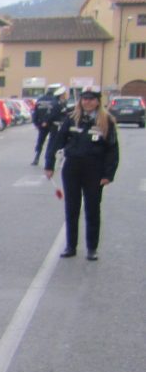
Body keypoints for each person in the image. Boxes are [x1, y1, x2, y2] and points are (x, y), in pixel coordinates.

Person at [45, 89, 119, 260]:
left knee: (92, 209)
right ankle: (71, 246)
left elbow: (112, 149)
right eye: (84, 99)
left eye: (91, 99)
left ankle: (92, 248)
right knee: (72, 208)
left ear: (98, 102)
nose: (87, 102)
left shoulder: (105, 120)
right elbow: (57, 142)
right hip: (73, 167)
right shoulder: (72, 118)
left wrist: (109, 174)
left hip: (94, 168)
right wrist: (49, 165)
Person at [31, 87, 62, 166]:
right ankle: (48, 158)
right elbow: (55, 113)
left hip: (41, 124)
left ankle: (37, 157)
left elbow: (35, 113)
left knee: (40, 140)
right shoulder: (55, 101)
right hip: (53, 124)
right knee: (51, 142)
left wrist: (36, 123)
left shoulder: (40, 100)